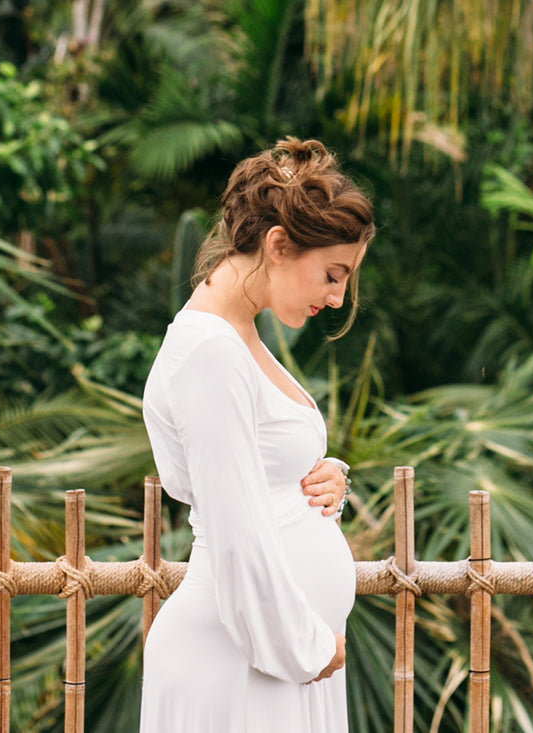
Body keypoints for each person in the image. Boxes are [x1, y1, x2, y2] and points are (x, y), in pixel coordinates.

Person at [139, 137, 375, 732]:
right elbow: (236, 532)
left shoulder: (238, 337)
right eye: (332, 273)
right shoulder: (208, 353)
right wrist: (305, 648)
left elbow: (257, 471)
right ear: (277, 245)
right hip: (242, 666)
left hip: (272, 664)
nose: (337, 296)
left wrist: (324, 479)